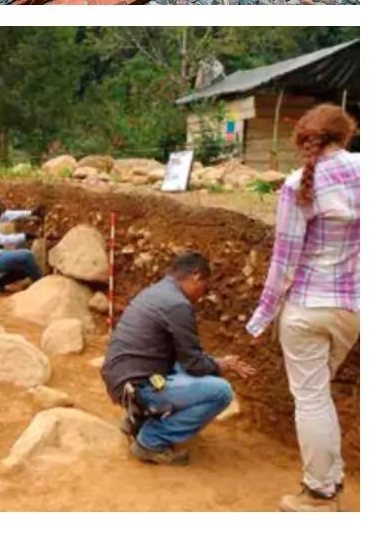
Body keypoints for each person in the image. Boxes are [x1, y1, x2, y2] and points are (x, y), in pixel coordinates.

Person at [246, 105, 359, 512]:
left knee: (311, 400)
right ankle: (331, 477)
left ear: (303, 142)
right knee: (320, 397)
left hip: (307, 308)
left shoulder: (298, 185)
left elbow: (284, 262)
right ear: (345, 135)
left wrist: (262, 316)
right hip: (353, 309)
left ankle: (320, 494)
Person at [102, 252, 256, 466]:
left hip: (124, 379)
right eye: (204, 286)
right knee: (221, 392)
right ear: (196, 275)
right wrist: (221, 364)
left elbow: (185, 358)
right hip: (139, 386)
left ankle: (137, 419)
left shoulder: (156, 292)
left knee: (179, 368)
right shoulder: (178, 304)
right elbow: (194, 364)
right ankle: (151, 441)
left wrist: (215, 362)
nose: (202, 294)